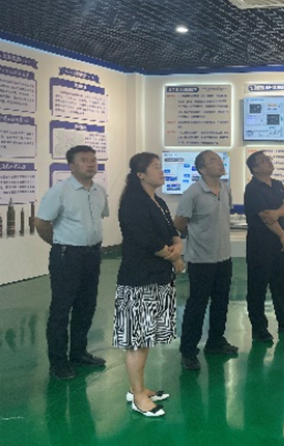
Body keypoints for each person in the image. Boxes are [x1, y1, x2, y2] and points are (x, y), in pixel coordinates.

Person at [113, 152, 184, 417]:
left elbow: (173, 233)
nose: (161, 171)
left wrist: (177, 247)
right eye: (156, 167)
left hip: (159, 276)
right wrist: (174, 257)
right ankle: (137, 396)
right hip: (139, 279)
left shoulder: (159, 202)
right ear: (140, 174)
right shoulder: (133, 202)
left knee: (147, 335)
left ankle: (139, 388)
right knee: (137, 339)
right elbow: (145, 239)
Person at [35, 145, 109, 381]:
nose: (91, 164)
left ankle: (78, 353)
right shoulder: (59, 191)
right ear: (71, 166)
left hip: (93, 255)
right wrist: (61, 243)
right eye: (84, 160)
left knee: (86, 306)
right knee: (61, 309)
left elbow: (99, 218)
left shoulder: (99, 190)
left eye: (93, 159)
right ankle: (58, 362)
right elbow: (41, 223)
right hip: (67, 256)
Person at [175, 150, 237, 371]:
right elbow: (180, 223)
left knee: (221, 301)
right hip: (201, 260)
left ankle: (216, 342)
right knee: (197, 305)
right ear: (202, 169)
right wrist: (196, 237)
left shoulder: (226, 189)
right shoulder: (193, 193)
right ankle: (188, 351)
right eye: (213, 161)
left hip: (223, 256)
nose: (219, 163)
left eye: (219, 160)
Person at [244, 151, 284, 343]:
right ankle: (259, 328)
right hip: (261, 241)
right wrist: (282, 236)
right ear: (255, 168)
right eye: (263, 161)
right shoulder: (253, 189)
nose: (268, 162)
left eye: (268, 159)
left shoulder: (277, 184)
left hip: (279, 240)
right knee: (258, 285)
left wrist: (278, 213)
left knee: (280, 282)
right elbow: (266, 217)